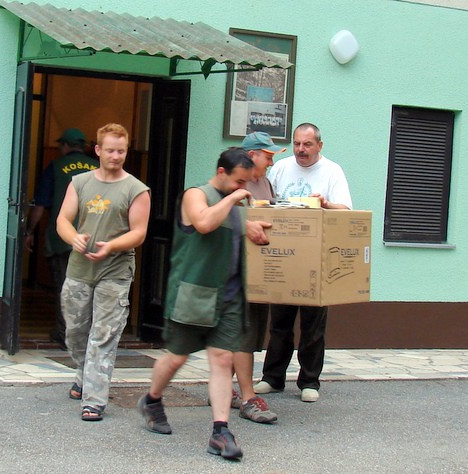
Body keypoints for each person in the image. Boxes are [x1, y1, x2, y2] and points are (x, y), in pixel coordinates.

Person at [137, 148, 257, 461]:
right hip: (193, 294)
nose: (243, 187)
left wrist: (252, 229)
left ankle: (220, 432)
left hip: (228, 297)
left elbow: (231, 235)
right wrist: (232, 200)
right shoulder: (196, 195)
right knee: (176, 358)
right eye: (239, 181)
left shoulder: (235, 205)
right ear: (221, 172)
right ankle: (152, 399)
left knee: (222, 359)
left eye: (247, 182)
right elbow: (204, 224)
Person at [56, 123, 151, 421]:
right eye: (110, 150)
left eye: (121, 151)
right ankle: (84, 376)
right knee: (75, 331)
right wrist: (74, 238)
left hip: (115, 271)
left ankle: (94, 399)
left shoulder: (136, 189)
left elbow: (139, 233)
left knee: (104, 335)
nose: (115, 156)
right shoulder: (80, 182)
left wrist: (110, 247)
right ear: (97, 150)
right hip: (80, 269)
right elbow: (63, 220)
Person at [254, 122, 353, 403]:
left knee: (313, 326)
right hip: (284, 258)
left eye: (307, 145)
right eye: (297, 144)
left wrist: (324, 204)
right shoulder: (282, 167)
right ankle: (272, 378)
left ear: (319, 145)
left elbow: (346, 209)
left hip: (317, 261)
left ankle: (309, 381)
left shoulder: (332, 171)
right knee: (279, 324)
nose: (301, 150)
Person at [229, 131, 286, 424]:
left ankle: (225, 390)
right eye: (268, 156)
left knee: (245, 334)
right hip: (238, 271)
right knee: (244, 336)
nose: (272, 162)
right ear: (252, 155)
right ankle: (248, 398)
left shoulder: (264, 182)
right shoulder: (235, 181)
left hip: (262, 269)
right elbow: (220, 217)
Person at [24, 128, 99, 349]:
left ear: (65, 146)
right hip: (94, 240)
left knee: (64, 287)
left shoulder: (55, 168)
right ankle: (88, 336)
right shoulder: (100, 169)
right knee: (91, 287)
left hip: (62, 240)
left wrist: (28, 231)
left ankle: (65, 333)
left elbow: (40, 205)